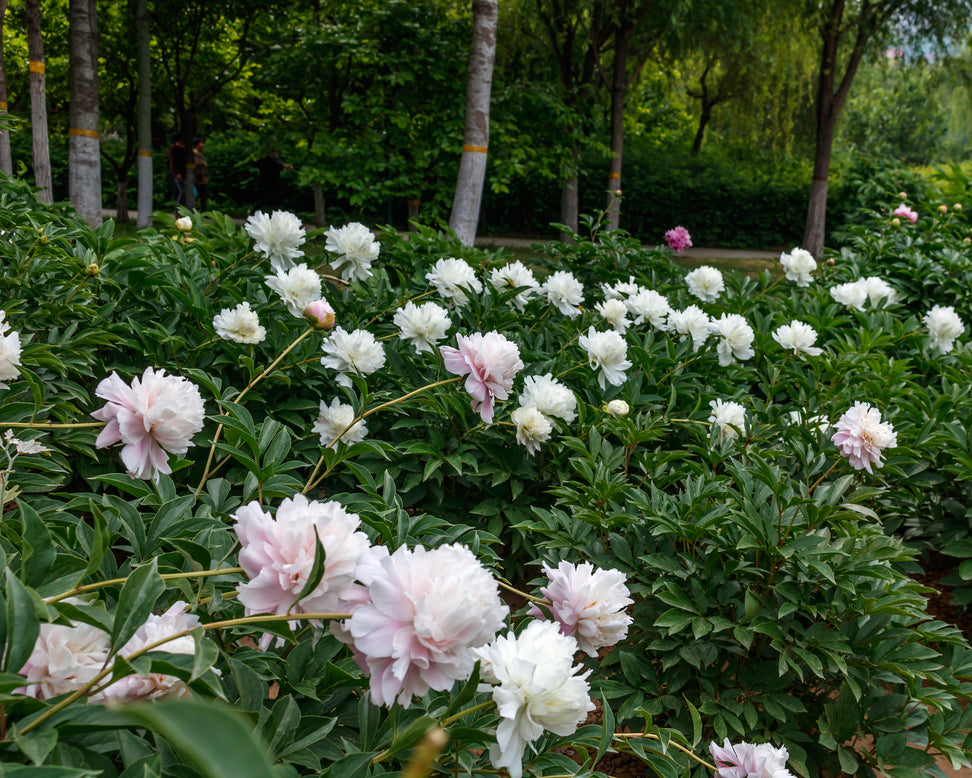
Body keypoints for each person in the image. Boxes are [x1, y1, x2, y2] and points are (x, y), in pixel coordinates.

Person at [254, 138, 293, 212]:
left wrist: (285, 166)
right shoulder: (266, 154)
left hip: (273, 180)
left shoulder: (274, 155)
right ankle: (252, 212)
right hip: (266, 180)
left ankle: (276, 214)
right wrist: (285, 166)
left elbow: (278, 164)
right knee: (264, 199)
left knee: (273, 200)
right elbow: (275, 164)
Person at [168, 134, 188, 209]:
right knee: (183, 191)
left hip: (186, 173)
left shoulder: (186, 148)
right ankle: (178, 209)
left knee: (187, 192)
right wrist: (177, 173)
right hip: (179, 174)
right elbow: (173, 162)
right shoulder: (174, 148)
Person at [193, 137, 209, 212]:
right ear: (196, 144)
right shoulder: (194, 153)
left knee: (204, 197)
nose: (203, 145)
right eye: (201, 143)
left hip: (203, 179)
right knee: (195, 196)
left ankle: (203, 212)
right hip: (196, 178)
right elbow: (195, 163)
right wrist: (203, 164)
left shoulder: (201, 154)